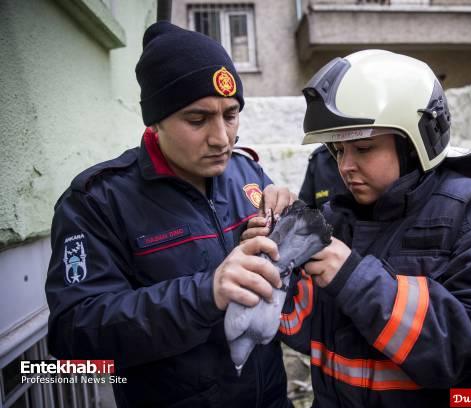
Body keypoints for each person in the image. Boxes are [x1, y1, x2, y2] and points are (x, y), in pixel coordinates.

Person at [45, 21, 294, 407]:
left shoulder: (248, 172)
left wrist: (290, 228)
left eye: (231, 115)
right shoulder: (97, 201)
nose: (222, 138)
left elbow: (279, 287)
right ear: (155, 121)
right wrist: (205, 293)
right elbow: (74, 335)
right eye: (197, 120)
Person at [278, 50, 471, 406]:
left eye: (364, 147)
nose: (345, 166)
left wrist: (355, 279)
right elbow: (311, 332)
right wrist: (274, 273)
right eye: (338, 150)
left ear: (415, 143)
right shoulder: (337, 218)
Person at [298, 145, 347, 209]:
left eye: (361, 149)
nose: (345, 168)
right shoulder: (319, 158)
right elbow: (305, 208)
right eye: (340, 151)